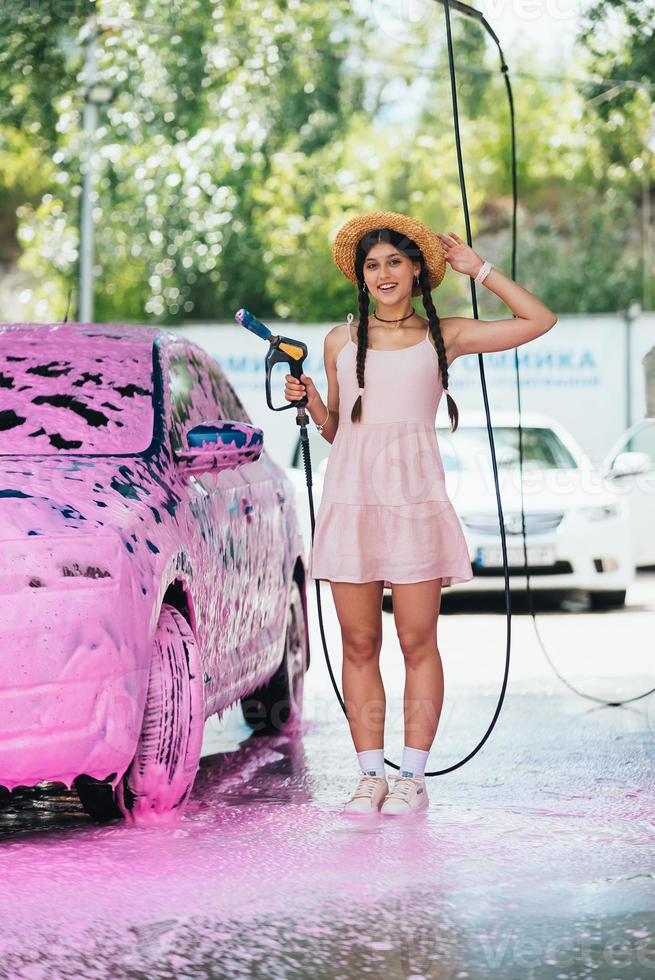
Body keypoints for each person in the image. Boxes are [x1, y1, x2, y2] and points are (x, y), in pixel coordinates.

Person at [284, 211, 557, 816]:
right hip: (351, 502)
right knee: (358, 643)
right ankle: (369, 775)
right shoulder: (338, 341)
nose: (382, 273)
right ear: (362, 276)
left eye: (394, 263)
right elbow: (337, 433)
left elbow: (539, 320)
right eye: (372, 265)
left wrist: (477, 268)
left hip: (413, 505)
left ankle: (412, 776)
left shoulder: (447, 336)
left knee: (417, 642)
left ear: (415, 272)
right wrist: (311, 405)